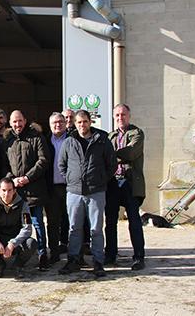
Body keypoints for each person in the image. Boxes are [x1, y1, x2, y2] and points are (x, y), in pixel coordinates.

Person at [58, 110, 116, 277]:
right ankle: (73, 260)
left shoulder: (102, 140)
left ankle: (98, 262)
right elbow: (62, 165)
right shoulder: (69, 141)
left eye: (84, 121)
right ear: (74, 124)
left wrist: (100, 179)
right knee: (74, 228)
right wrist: (71, 179)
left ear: (90, 122)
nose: (82, 125)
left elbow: (111, 165)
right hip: (74, 192)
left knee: (96, 228)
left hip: (96, 191)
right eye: (78, 122)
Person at [3, 109, 50, 271]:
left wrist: (27, 178)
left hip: (34, 190)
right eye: (14, 122)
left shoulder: (37, 137)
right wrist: (12, 179)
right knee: (18, 225)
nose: (17, 124)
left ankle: (43, 254)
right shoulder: (7, 141)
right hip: (16, 192)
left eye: (20, 121)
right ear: (10, 123)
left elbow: (43, 161)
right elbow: (4, 165)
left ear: (25, 120)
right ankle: (20, 255)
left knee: (37, 224)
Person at [105, 104, 146, 271]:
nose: (120, 118)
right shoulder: (110, 136)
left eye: (123, 115)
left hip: (130, 183)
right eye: (117, 115)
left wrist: (112, 154)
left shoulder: (137, 133)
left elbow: (131, 153)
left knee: (134, 221)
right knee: (110, 221)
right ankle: (110, 255)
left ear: (129, 116)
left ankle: (138, 257)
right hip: (113, 182)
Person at [0, 177, 37, 278]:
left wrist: (13, 243)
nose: (7, 194)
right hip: (0, 239)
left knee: (31, 243)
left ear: (14, 190)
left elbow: (27, 228)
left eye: (10, 190)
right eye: (4, 190)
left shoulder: (23, 205)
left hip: (17, 240)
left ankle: (18, 266)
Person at [44, 112, 70, 263]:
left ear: (66, 123)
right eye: (54, 122)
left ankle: (75, 255)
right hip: (51, 188)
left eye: (60, 121)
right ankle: (53, 253)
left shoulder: (73, 140)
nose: (58, 125)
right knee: (53, 222)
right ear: (50, 125)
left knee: (73, 221)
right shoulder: (45, 141)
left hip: (70, 187)